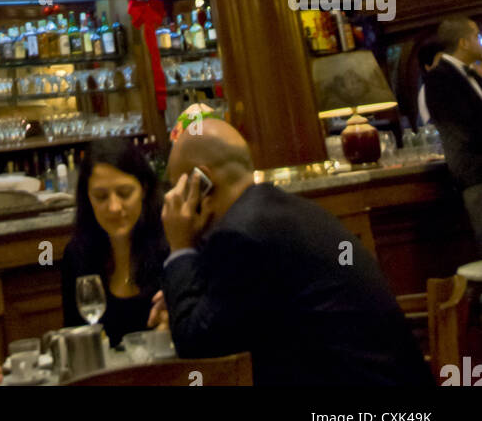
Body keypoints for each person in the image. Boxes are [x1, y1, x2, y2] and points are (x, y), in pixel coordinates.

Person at [152, 118, 433, 386]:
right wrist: (188, 295)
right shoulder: (273, 213)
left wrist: (180, 247)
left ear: (202, 183)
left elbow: (199, 347)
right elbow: (232, 318)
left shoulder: (242, 235)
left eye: (177, 189)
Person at [60, 139, 168, 348]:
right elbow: (73, 337)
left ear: (144, 189)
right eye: (101, 197)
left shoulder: (171, 244)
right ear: (87, 198)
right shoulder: (77, 255)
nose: (114, 207)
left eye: (124, 193)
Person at [424, 15, 482, 251]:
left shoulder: (473, 75)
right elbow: (463, 129)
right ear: (464, 43)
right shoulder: (439, 79)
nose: (480, 42)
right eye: (477, 37)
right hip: (476, 175)